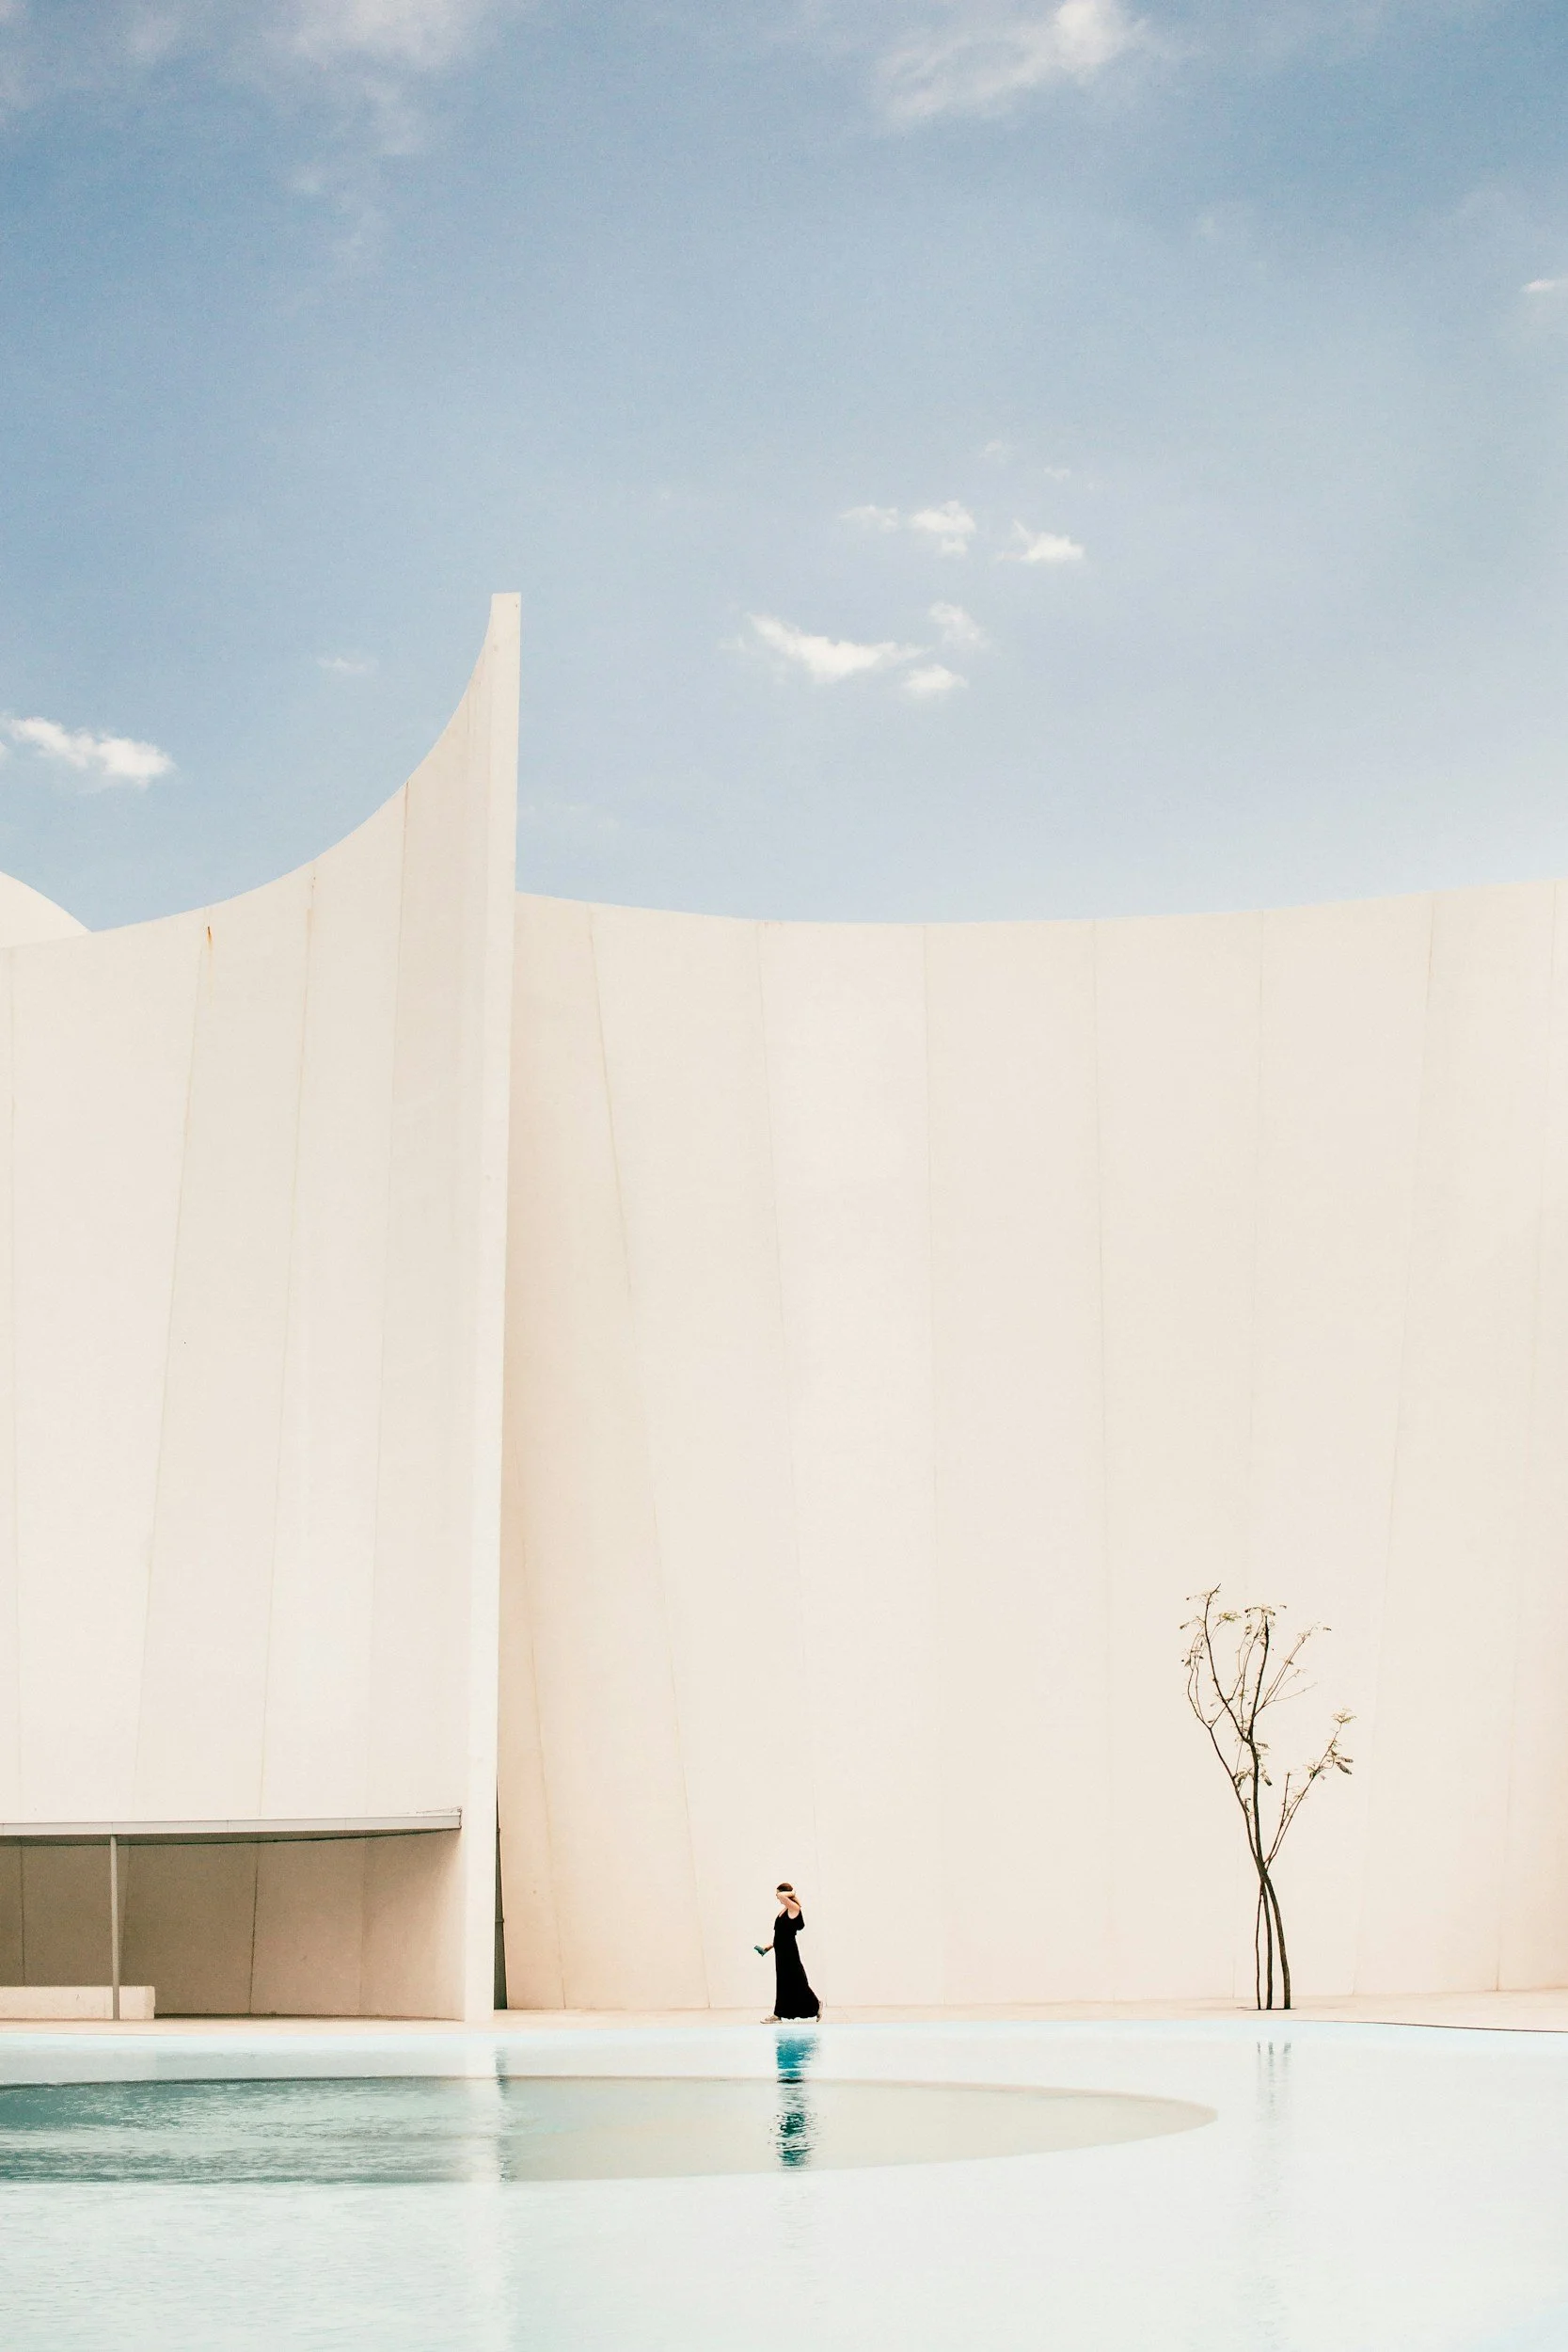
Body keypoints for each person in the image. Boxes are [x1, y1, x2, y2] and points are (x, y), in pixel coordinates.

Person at [756, 1882, 820, 2023]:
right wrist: (768, 1947)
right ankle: (778, 2014)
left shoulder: (794, 1908)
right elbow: (782, 1934)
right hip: (782, 1950)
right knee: (784, 1981)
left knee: (796, 1980)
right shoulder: (785, 1909)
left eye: (778, 1894)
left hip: (789, 1951)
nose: (777, 1897)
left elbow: (781, 1895)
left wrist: (792, 1893)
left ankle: (815, 2005)